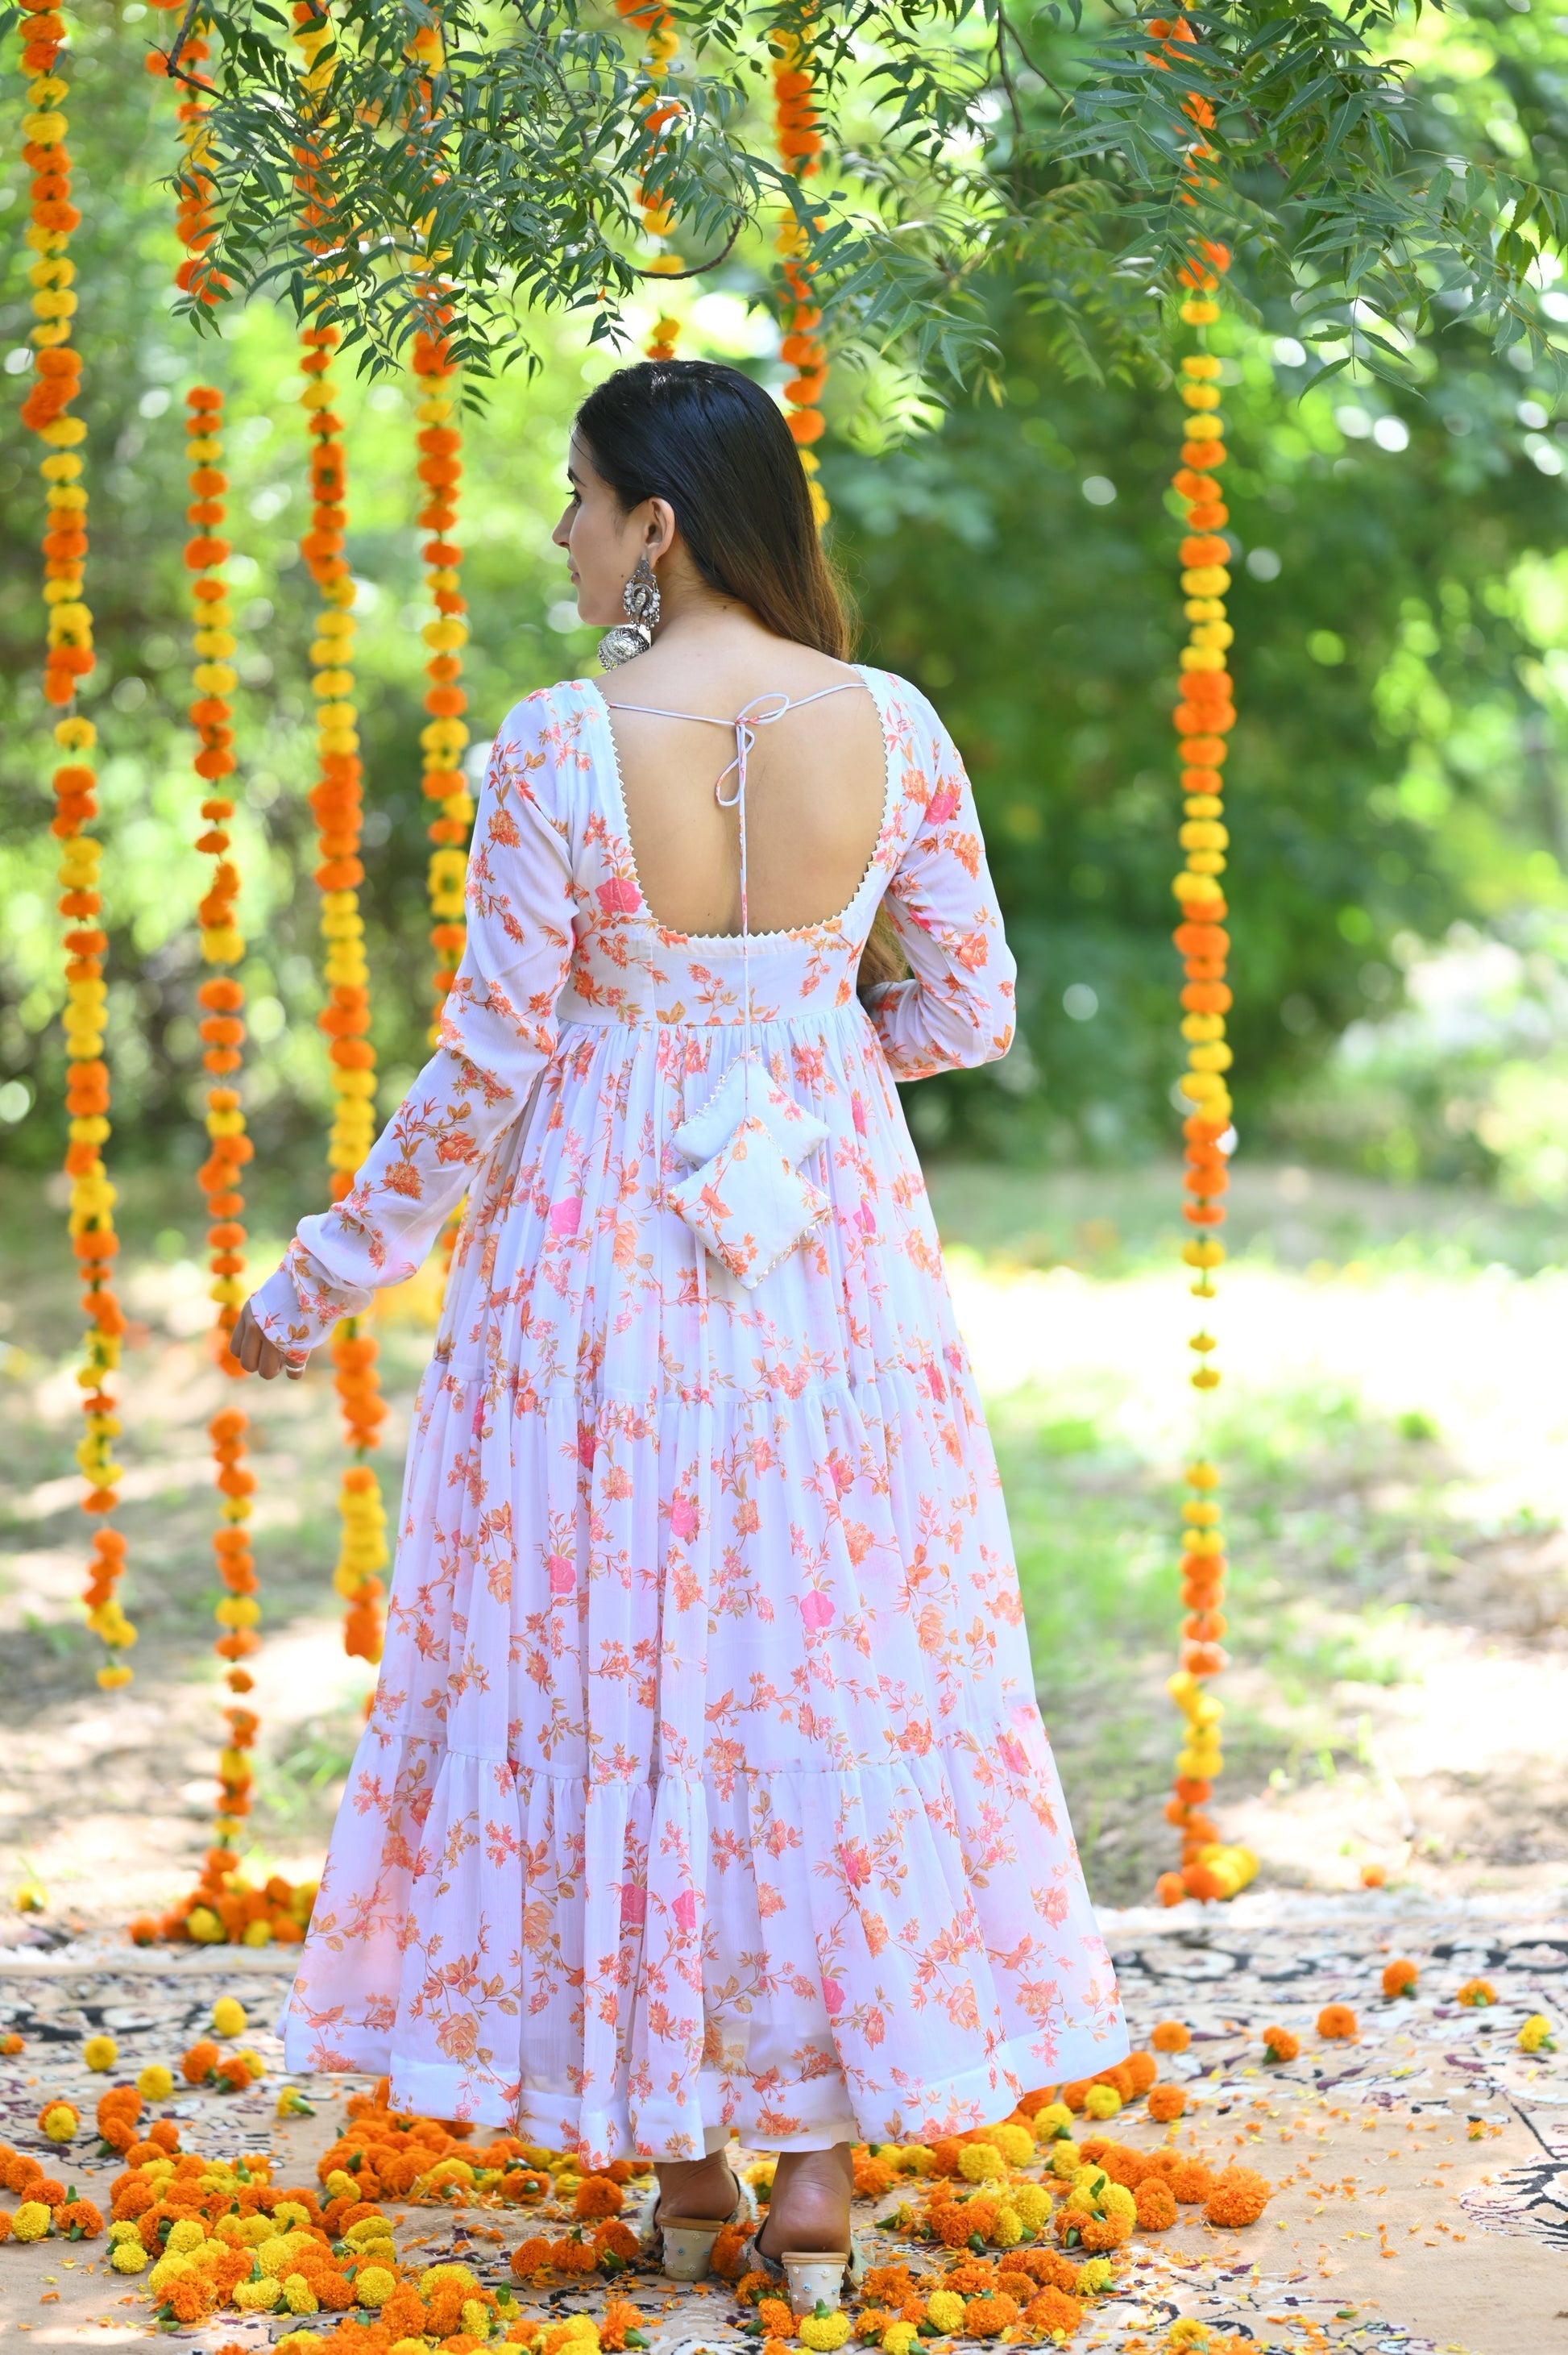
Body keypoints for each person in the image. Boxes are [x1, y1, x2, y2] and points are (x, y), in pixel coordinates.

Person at [234, 357, 1126, 2287]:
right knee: (816, 1661)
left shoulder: (560, 748)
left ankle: (689, 2156)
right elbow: (968, 1009)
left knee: (626, 1657)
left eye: (575, 497)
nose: (555, 532)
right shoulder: (892, 727)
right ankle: (811, 2167)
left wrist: (322, 1274)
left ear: (657, 521)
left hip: (595, 1267)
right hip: (826, 1265)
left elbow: (486, 1068)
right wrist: (798, 1065)